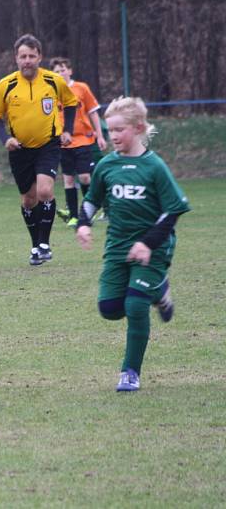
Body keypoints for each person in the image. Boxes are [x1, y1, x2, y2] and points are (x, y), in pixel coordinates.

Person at [75, 97, 190, 392]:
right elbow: (92, 200)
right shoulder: (107, 165)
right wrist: (84, 223)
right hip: (117, 247)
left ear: (138, 128)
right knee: (110, 308)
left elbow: (173, 209)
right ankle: (160, 289)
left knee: (135, 305)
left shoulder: (154, 167)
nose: (112, 135)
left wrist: (148, 244)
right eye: (108, 129)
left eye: (119, 129)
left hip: (154, 249)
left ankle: (130, 372)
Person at [0, 34, 78, 265]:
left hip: (48, 144)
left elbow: (70, 103)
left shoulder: (53, 80)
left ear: (40, 57)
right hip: (20, 150)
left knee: (45, 192)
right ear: (16, 59)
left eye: (31, 56)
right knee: (28, 200)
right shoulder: (5, 85)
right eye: (22, 56)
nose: (27, 60)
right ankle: (36, 246)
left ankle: (45, 244)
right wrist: (5, 138)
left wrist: (67, 130)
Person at [50, 57, 108, 229]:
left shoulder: (81, 88)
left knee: (84, 176)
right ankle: (74, 217)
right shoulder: (51, 91)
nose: (60, 73)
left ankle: (87, 212)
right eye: (56, 71)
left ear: (70, 71)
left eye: (62, 70)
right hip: (63, 141)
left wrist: (100, 135)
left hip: (83, 139)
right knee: (68, 180)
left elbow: (93, 112)